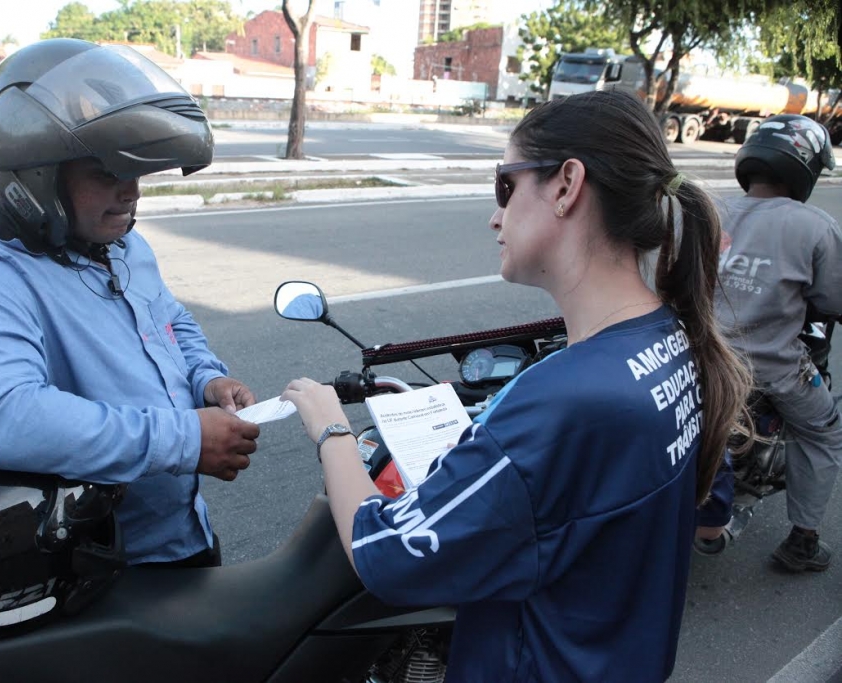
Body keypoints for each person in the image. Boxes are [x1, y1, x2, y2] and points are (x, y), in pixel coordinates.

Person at [281, 90, 752, 681]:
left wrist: (331, 429)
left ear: (565, 186)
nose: (494, 215)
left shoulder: (567, 398)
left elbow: (391, 556)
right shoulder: (673, 342)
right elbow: (684, 514)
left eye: (505, 185)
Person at [0, 38, 260, 568]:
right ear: (35, 175)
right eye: (106, 174)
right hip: (101, 570)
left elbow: (168, 320)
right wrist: (185, 439)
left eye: (136, 173)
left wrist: (205, 378)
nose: (133, 193)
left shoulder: (120, 244)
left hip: (182, 534)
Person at [713, 114, 842, 572]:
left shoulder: (712, 210)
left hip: (699, 360)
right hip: (772, 369)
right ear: (804, 165)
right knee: (824, 432)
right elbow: (831, 298)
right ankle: (802, 542)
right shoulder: (814, 225)